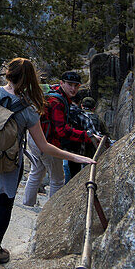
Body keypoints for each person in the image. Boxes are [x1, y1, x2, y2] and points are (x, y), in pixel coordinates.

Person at [0, 58, 97, 265]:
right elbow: (45, 146)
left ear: (7, 74)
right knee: (5, 200)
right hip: (10, 162)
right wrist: (76, 157)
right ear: (31, 79)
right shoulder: (28, 109)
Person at [22, 71, 102, 206]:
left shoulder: (52, 92)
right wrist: (87, 135)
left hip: (34, 137)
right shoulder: (57, 102)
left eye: (76, 86)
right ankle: (50, 213)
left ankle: (27, 204)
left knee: (36, 172)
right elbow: (62, 130)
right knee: (58, 179)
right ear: (62, 83)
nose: (73, 89)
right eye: (70, 85)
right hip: (48, 142)